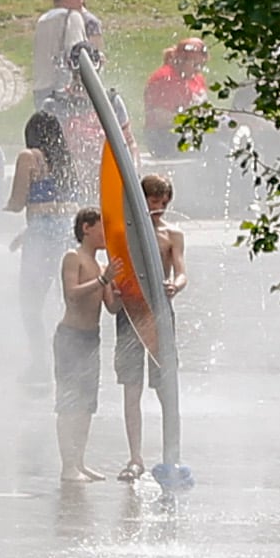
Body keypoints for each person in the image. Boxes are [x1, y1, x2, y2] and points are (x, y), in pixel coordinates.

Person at [110, 173, 190, 479]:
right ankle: (135, 458)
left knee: (166, 387)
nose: (159, 208)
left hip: (160, 312)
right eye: (153, 202)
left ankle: (171, 455)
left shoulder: (172, 234)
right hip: (130, 313)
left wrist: (175, 285)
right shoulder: (125, 232)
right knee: (132, 388)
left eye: (163, 203)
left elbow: (182, 271)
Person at [3, 111, 77, 343]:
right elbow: (58, 208)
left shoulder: (29, 157)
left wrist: (3, 206)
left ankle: (39, 361)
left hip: (42, 236)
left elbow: (17, 203)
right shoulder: (65, 159)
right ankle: (71, 356)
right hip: (68, 232)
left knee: (30, 302)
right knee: (66, 299)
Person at [53, 209, 109, 485]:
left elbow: (111, 306)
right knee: (68, 402)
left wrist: (120, 287)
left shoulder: (100, 265)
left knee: (87, 404)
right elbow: (71, 295)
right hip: (70, 336)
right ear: (86, 228)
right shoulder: (73, 258)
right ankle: (67, 466)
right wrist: (102, 281)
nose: (107, 234)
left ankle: (80, 462)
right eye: (102, 227)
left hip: (91, 338)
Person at [30, 0, 106, 164]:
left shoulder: (44, 18)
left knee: (49, 144)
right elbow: (76, 56)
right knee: (71, 145)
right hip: (62, 92)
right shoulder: (72, 18)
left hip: (40, 89)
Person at [144, 37, 208, 156]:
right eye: (196, 65)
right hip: (163, 137)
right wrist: (194, 121)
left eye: (201, 65)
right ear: (182, 60)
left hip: (185, 133)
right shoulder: (166, 78)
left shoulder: (196, 78)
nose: (198, 70)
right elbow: (160, 117)